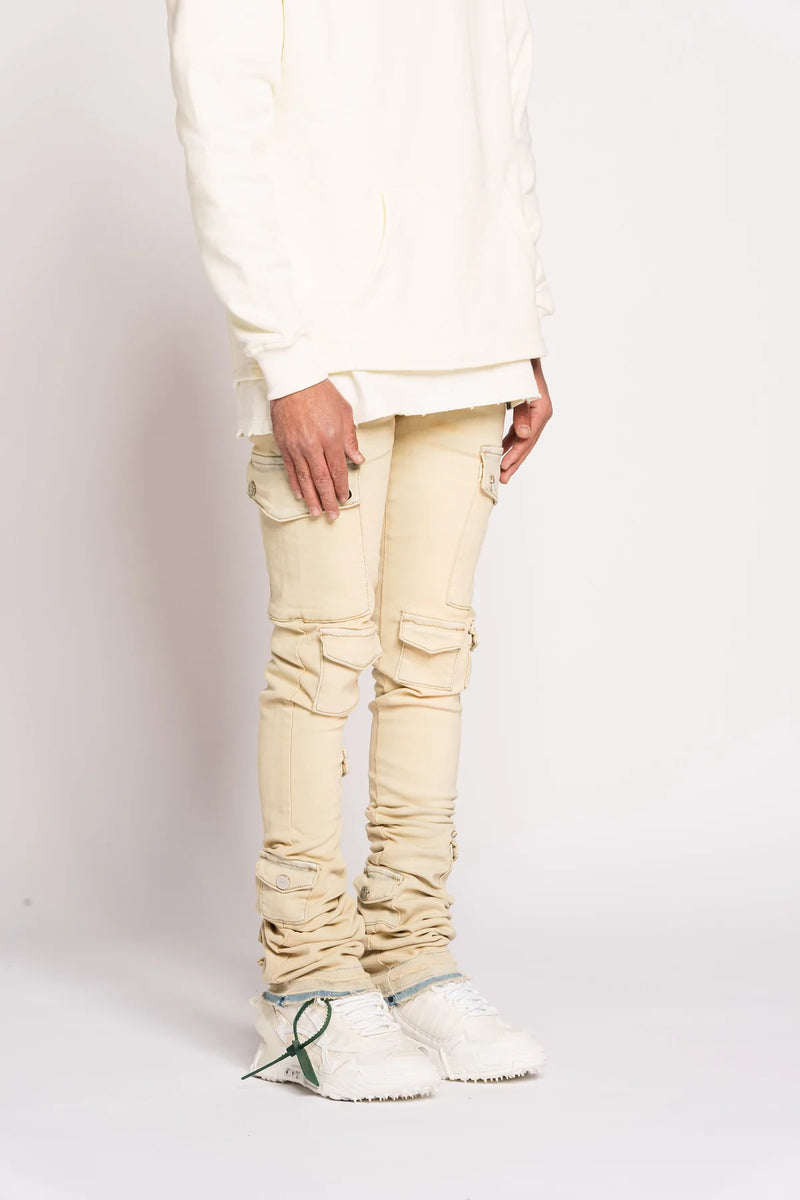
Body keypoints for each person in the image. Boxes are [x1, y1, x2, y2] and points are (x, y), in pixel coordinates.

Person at [166, 0, 554, 1102]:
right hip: (327, 350)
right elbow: (220, 119)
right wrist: (286, 359)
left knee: (432, 657)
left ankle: (409, 955)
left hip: (471, 341)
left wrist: (524, 324)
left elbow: (503, 121)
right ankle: (305, 985)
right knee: (321, 658)